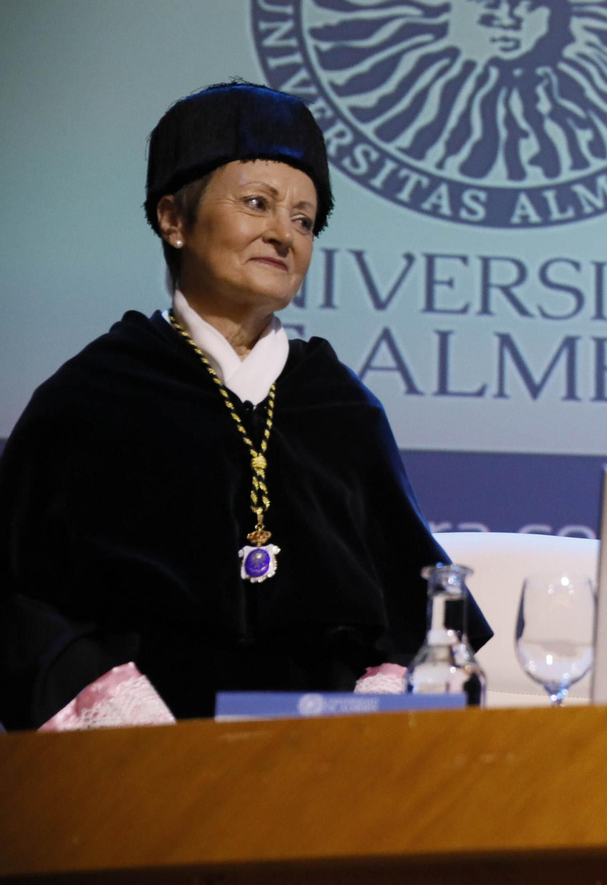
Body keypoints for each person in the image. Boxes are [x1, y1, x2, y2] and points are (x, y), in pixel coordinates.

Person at [0, 82, 487, 730]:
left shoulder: (339, 405)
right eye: (257, 204)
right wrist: (103, 702)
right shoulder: (93, 396)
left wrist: (389, 684)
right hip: (139, 759)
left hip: (324, 753)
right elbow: (19, 600)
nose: (283, 235)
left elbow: (415, 606)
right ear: (173, 218)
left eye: (305, 220)